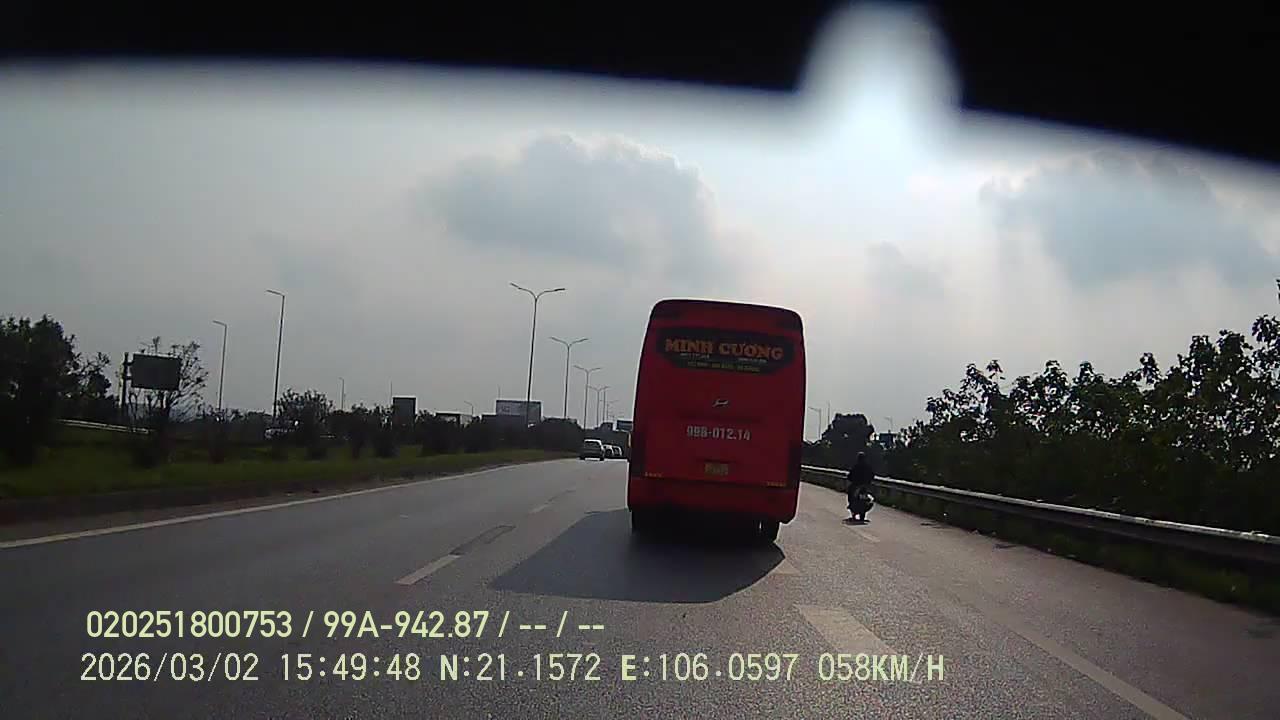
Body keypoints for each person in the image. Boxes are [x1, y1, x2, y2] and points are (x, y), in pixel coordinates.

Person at [846, 452, 875, 522]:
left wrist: (851, 479)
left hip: (856, 485)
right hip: (865, 486)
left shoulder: (856, 466)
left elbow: (850, 476)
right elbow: (872, 475)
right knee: (868, 497)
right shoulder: (868, 467)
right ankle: (862, 514)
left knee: (850, 494)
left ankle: (852, 511)